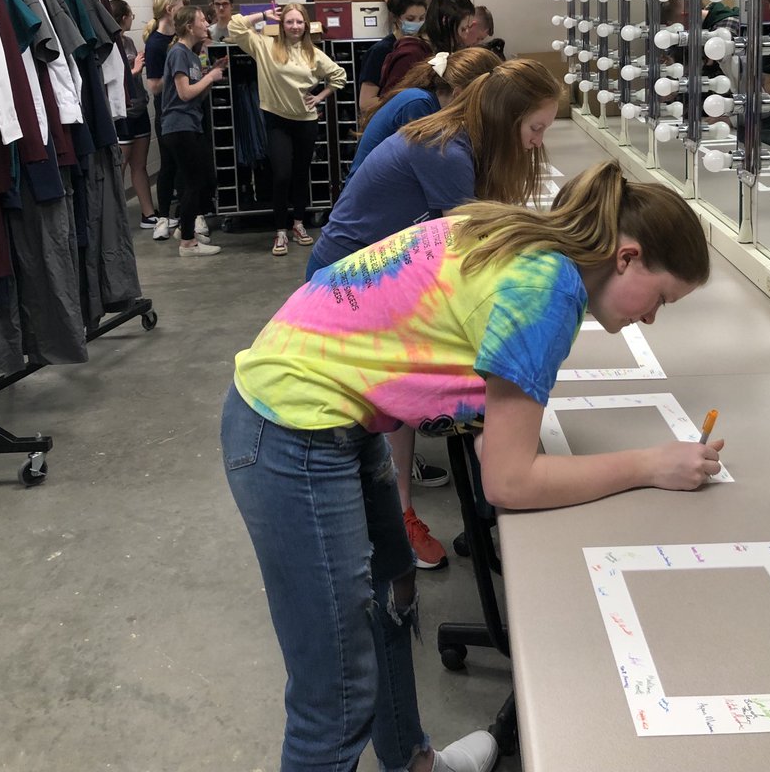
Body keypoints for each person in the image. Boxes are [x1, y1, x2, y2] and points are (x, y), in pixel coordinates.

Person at [221, 160, 721, 772]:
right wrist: (651, 463)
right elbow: (509, 481)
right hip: (292, 428)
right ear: (627, 257)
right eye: (661, 297)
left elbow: (476, 382)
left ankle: (414, 763)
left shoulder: (526, 241)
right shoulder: (547, 290)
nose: (651, 318)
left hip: (326, 409)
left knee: (395, 587)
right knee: (336, 699)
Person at [307, 57, 561, 568]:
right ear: (508, 117)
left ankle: (469, 504)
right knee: (400, 391)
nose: (537, 142)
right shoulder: (445, 148)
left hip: (388, 275)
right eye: (535, 129)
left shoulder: (467, 142)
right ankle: (399, 516)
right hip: (349, 283)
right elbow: (475, 247)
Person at [228, 3, 347, 256]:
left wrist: (320, 97)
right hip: (276, 121)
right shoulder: (265, 46)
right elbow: (234, 26)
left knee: (301, 174)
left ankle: (299, 224)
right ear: (281, 25)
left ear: (306, 26)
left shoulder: (313, 54)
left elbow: (339, 76)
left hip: (306, 121)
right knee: (281, 175)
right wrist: (263, 15)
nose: (294, 26)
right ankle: (280, 231)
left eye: (299, 22)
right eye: (289, 22)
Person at [349, 46, 501, 178]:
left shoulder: (428, 102)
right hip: (375, 202)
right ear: (460, 94)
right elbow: (437, 171)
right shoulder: (418, 104)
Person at [159, 6, 226, 257]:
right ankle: (187, 242)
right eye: (201, 20)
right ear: (189, 26)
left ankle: (185, 229)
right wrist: (210, 78)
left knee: (206, 180)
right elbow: (184, 93)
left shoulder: (192, 56)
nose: (206, 24)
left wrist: (210, 73)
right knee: (194, 183)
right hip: (179, 126)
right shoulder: (178, 53)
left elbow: (195, 95)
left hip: (191, 123)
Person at [143, 0, 190, 241]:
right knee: (168, 165)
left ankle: (187, 217)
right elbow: (154, 85)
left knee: (185, 166)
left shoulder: (181, 39)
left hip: (186, 111)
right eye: (182, 5)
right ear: (171, 10)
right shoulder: (156, 43)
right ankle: (163, 217)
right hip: (167, 112)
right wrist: (178, 73)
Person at [109, 0, 157, 227]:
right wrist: (135, 70)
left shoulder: (127, 41)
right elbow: (110, 79)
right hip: (123, 113)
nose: (133, 17)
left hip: (138, 108)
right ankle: (114, 217)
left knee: (140, 163)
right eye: (130, 14)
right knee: (121, 164)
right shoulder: (109, 44)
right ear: (123, 17)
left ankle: (148, 213)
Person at [378, 0, 475, 94]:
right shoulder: (411, 55)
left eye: (469, 28)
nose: (465, 36)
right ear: (445, 22)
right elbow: (392, 102)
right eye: (463, 29)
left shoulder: (436, 52)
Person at [358, 0, 428, 111]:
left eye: (422, 18)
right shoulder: (381, 51)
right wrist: (404, 100)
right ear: (396, 18)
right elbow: (366, 102)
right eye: (410, 19)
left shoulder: (421, 47)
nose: (417, 23)